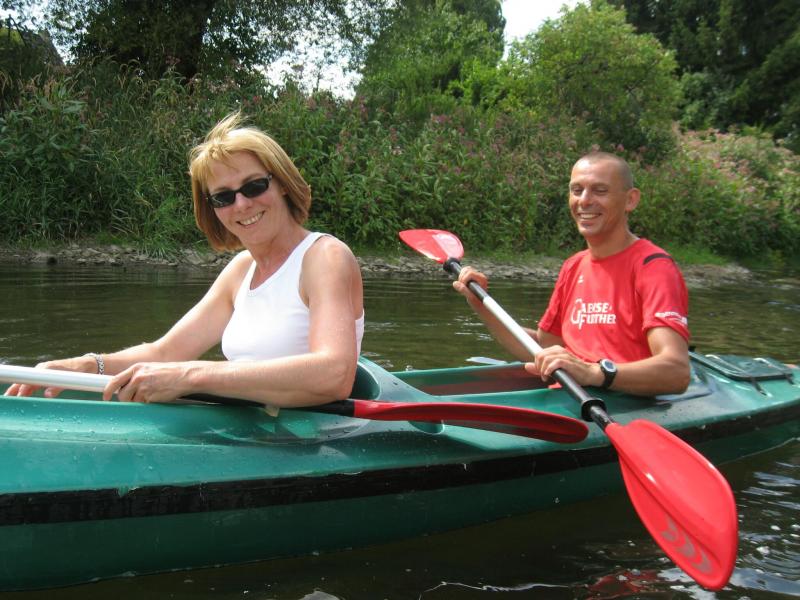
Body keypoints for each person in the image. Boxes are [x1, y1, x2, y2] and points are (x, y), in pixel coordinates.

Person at [5, 112, 365, 408]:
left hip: (309, 442)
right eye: (223, 197)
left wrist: (189, 376)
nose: (242, 204)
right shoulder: (241, 270)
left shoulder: (325, 258)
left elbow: (334, 374)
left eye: (254, 186)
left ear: (282, 183)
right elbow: (166, 352)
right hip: (252, 433)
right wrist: (87, 365)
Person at [453, 152, 690, 396]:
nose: (584, 201)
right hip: (569, 398)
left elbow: (676, 371)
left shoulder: (653, 267)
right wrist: (480, 303)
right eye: (577, 190)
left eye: (600, 191)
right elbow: (543, 347)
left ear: (630, 200)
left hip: (623, 406)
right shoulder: (574, 266)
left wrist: (594, 373)